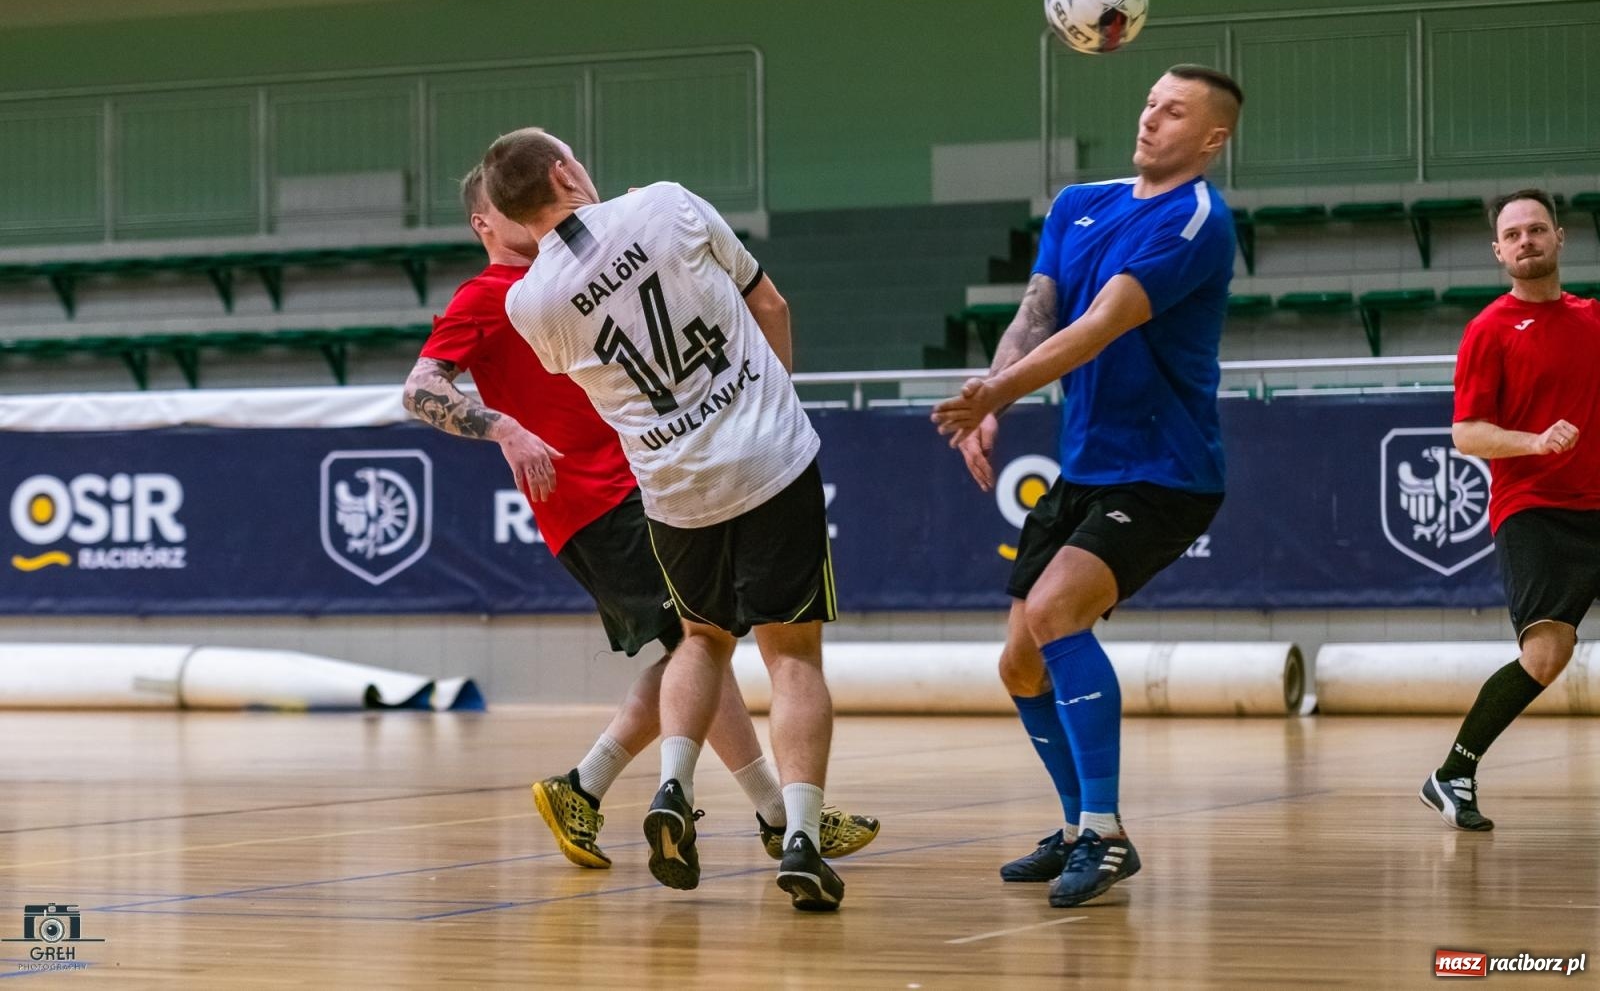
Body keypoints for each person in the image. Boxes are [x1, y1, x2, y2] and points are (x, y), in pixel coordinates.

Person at [401, 163, 876, 879]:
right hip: (598, 500)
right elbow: (420, 387)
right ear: (485, 224)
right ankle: (768, 816)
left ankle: (659, 797)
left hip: (642, 483)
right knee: (702, 641)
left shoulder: (559, 286)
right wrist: (506, 429)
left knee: (697, 642)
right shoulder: (493, 296)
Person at [931, 65, 1243, 908]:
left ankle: (1103, 831)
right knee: (1019, 663)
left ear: (1212, 137)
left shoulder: (1198, 223)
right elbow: (1038, 312)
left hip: (1167, 470)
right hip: (1087, 466)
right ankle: (1078, 828)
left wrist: (994, 394)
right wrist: (989, 398)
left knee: (1055, 611)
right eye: (1148, 102)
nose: (1149, 118)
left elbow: (1102, 321)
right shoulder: (1078, 203)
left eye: (1173, 111)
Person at [1420, 188, 1599, 831]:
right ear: (1499, 251)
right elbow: (1466, 433)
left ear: (1560, 239)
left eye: (1537, 229)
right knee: (1547, 656)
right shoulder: (1489, 330)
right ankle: (1452, 773)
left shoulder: (1593, 319)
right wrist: (1534, 441)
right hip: (1535, 508)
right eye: (1514, 234)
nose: (1526, 241)